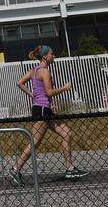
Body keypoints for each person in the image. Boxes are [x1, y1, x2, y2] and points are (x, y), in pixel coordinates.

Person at [9, 44, 84, 183]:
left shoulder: (34, 70)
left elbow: (20, 83)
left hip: (44, 109)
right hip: (42, 110)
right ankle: (15, 169)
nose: (53, 56)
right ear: (45, 56)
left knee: (66, 133)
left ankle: (69, 167)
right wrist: (65, 88)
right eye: (52, 54)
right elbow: (49, 92)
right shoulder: (44, 71)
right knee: (35, 142)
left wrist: (32, 95)